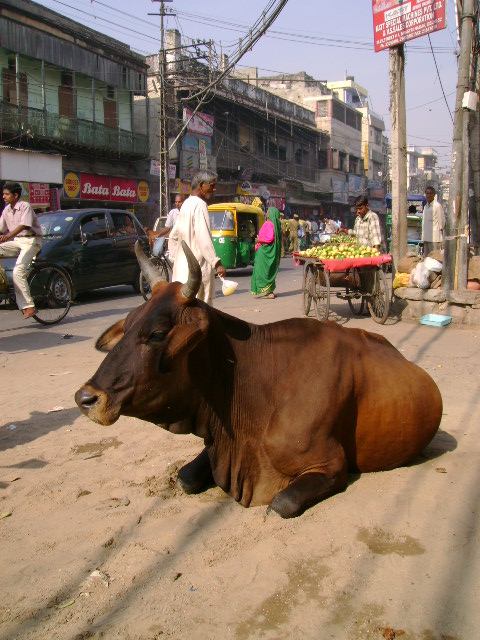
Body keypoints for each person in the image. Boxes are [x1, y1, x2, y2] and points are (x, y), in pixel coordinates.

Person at [168, 171, 226, 305]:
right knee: (201, 313)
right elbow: (203, 238)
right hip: (198, 271)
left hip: (182, 273)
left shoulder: (186, 204)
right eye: (211, 186)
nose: (214, 189)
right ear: (201, 185)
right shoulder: (200, 205)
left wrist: (175, 260)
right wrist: (216, 263)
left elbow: (173, 237)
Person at [0, 182, 42, 319]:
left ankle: (29, 305)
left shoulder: (25, 206)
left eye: (6, 194)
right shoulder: (6, 210)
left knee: (17, 271)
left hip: (31, 241)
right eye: (3, 194)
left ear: (15, 195)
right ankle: (2, 281)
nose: (4, 196)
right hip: (18, 242)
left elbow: (25, 225)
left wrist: (7, 236)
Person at [251, 206, 281, 299]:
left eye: (268, 212)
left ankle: (269, 292)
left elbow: (269, 238)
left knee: (262, 272)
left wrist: (259, 240)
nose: (266, 213)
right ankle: (270, 291)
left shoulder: (269, 224)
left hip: (264, 251)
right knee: (269, 271)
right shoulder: (277, 224)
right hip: (271, 251)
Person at [422, 186, 445, 256]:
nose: (429, 195)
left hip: (435, 238)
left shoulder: (437, 206)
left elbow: (442, 222)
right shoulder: (425, 206)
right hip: (426, 237)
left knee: (434, 259)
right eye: (427, 193)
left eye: (431, 193)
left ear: (434, 195)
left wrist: (439, 230)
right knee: (427, 259)